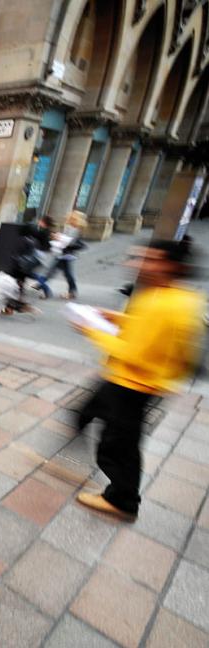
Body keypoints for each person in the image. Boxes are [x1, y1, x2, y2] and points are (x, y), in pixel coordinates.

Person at [73, 239, 206, 521]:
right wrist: (116, 318)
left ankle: (122, 501)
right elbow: (146, 328)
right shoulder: (172, 295)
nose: (139, 264)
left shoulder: (165, 304)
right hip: (131, 381)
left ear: (171, 266)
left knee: (117, 445)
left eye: (150, 259)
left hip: (133, 383)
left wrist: (92, 330)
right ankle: (78, 433)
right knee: (98, 416)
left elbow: (133, 353)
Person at [44, 210, 86, 300]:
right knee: (65, 273)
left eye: (71, 217)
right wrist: (58, 237)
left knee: (55, 270)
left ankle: (41, 284)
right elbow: (66, 239)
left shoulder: (76, 229)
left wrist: (59, 237)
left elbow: (70, 242)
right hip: (63, 253)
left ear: (75, 219)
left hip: (67, 254)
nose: (68, 218)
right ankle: (72, 292)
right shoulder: (69, 227)